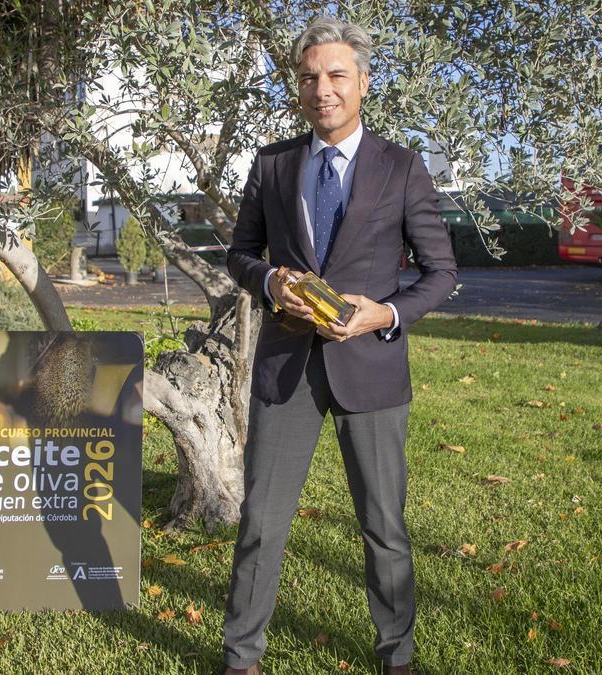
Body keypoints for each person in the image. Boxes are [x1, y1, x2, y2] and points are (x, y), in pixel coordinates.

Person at [222, 15, 458, 675]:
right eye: (308, 78)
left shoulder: (402, 167)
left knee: (384, 526)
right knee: (261, 522)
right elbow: (239, 253)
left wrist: (381, 312)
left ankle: (397, 655)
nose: (321, 89)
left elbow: (441, 273)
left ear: (362, 83)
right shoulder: (271, 165)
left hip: (372, 367)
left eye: (335, 76)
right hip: (285, 368)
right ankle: (241, 658)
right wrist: (269, 280)